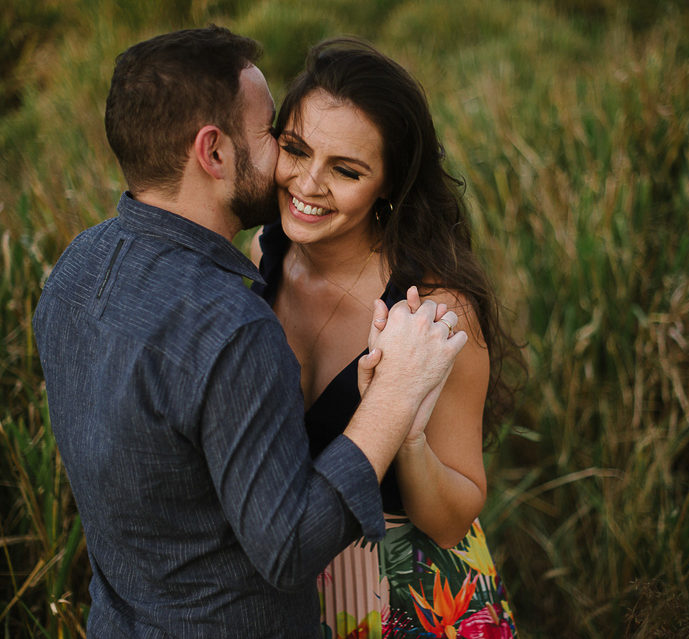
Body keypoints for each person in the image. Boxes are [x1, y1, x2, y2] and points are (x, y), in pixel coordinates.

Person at [31, 26, 468, 638]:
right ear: (213, 152)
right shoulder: (233, 328)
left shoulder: (75, 269)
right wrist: (393, 399)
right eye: (276, 137)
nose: (298, 176)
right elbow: (289, 549)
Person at [250, 37, 520, 637]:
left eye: (346, 170)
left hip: (415, 599)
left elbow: (452, 520)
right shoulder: (263, 255)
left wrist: (407, 433)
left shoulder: (436, 313)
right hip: (293, 584)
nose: (307, 184)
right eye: (295, 149)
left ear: (389, 186)